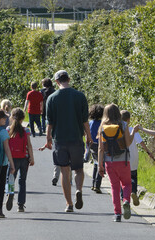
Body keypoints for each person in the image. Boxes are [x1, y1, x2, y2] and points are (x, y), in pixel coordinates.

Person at [44, 70, 92, 212]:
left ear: (57, 82)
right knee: (78, 169)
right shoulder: (80, 96)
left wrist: (48, 139)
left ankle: (69, 204)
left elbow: (50, 123)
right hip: (76, 138)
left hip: (60, 140)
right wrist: (88, 136)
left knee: (65, 172)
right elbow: (85, 121)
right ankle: (78, 189)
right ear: (69, 79)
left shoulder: (52, 98)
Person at [98, 104, 138, 222]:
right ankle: (126, 200)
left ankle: (117, 214)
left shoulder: (102, 127)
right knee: (127, 184)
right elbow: (128, 143)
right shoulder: (123, 125)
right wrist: (133, 133)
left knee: (114, 187)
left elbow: (100, 149)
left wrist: (100, 165)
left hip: (109, 162)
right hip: (124, 161)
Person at [5, 108, 35, 212]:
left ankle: (10, 193)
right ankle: (21, 205)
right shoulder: (26, 130)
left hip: (12, 158)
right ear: (23, 118)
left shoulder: (8, 130)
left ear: (11, 117)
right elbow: (29, 145)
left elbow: (6, 145)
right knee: (22, 181)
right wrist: (32, 158)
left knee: (10, 179)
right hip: (24, 159)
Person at [120, 110, 153, 206]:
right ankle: (133, 191)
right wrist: (148, 152)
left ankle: (123, 198)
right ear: (129, 120)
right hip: (133, 158)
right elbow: (141, 143)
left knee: (123, 180)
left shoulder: (119, 130)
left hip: (123, 158)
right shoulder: (131, 130)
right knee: (133, 176)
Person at [88, 104, 104, 194]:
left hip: (92, 145)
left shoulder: (90, 123)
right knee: (101, 164)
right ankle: (97, 185)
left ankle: (93, 183)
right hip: (100, 145)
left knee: (95, 163)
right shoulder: (102, 124)